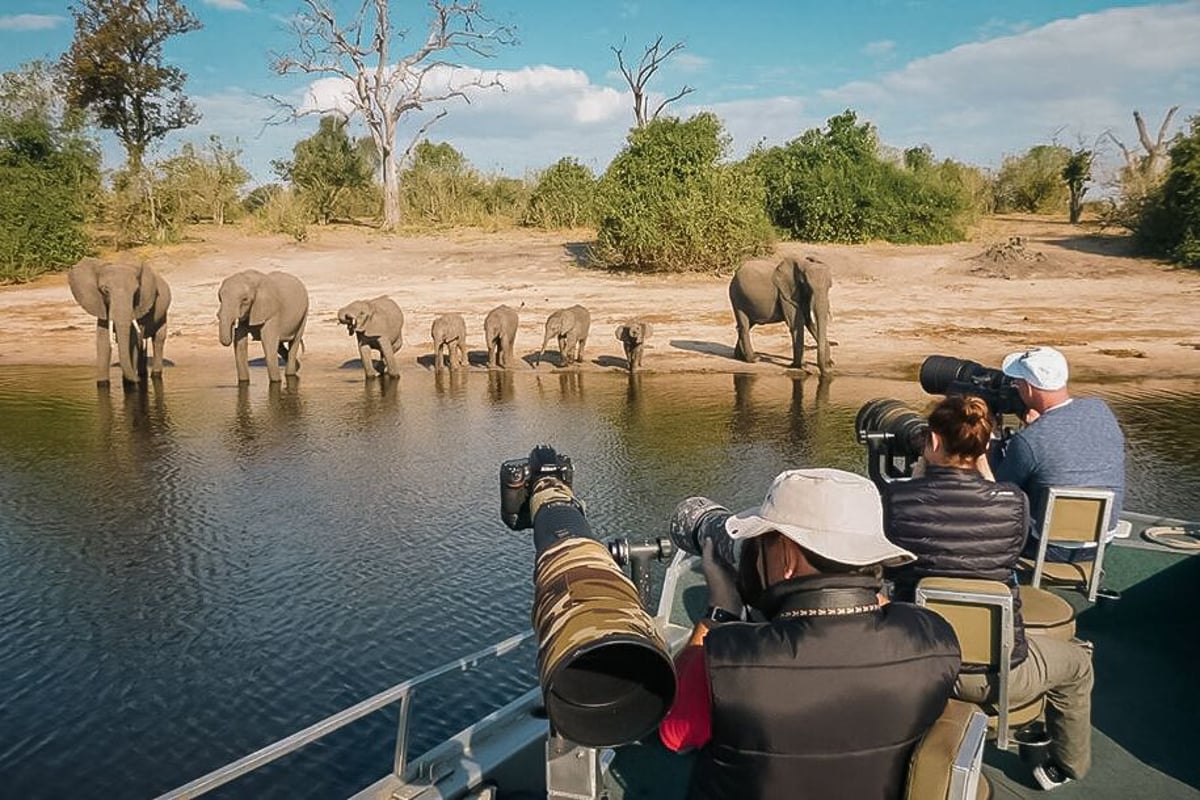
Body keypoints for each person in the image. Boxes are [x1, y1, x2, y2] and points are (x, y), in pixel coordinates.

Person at [658, 468, 961, 800]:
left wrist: (721, 612)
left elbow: (676, 734)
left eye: (763, 544)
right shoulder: (935, 640)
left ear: (787, 555)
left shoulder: (725, 661)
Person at [883, 394, 1096, 790]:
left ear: (932, 441)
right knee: (1078, 664)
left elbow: (895, 552)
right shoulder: (1014, 503)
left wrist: (915, 479)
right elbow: (1006, 545)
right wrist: (985, 470)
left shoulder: (896, 502)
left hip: (916, 666)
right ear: (983, 447)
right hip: (997, 675)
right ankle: (1065, 767)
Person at [993, 346, 1127, 563]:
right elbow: (1069, 442)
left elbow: (1000, 490)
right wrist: (1037, 427)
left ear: (1027, 388)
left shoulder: (1030, 440)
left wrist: (991, 443)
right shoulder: (1100, 409)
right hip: (1101, 543)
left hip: (1047, 547)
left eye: (1017, 383)